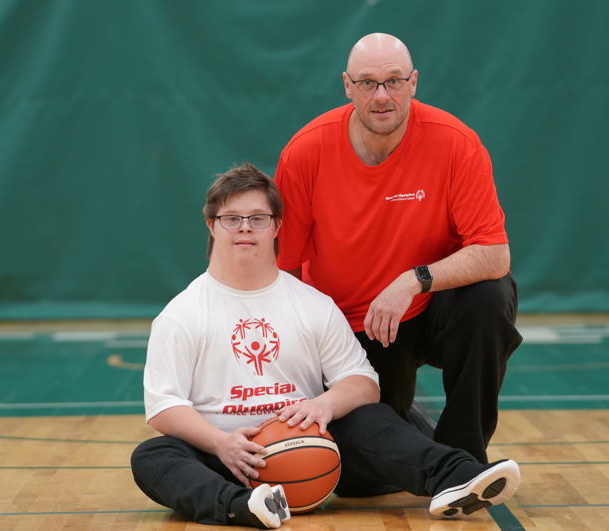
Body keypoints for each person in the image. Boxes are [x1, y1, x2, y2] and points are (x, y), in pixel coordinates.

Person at [129, 163, 520, 528]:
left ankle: (457, 475)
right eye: (232, 219)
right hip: (228, 458)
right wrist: (221, 443)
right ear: (212, 226)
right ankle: (243, 506)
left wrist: (323, 405)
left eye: (257, 219)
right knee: (153, 455)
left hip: (315, 448)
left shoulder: (311, 303)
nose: (245, 228)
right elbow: (163, 406)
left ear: (277, 226)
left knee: (371, 417)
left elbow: (362, 381)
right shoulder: (182, 313)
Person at [274, 33, 522, 465]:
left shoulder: (455, 142)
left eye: (393, 81)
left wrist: (414, 280)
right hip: (355, 325)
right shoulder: (306, 152)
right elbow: (284, 269)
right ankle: (412, 427)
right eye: (368, 83)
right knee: (361, 479)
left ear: (414, 83)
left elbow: (495, 253)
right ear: (347, 86)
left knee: (489, 298)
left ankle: (463, 460)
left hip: (431, 309)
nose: (382, 96)